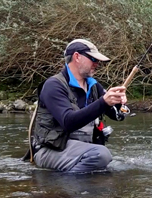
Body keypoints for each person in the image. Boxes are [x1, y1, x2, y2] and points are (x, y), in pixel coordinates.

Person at [26, 39, 127, 172]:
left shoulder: (94, 86)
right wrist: (103, 102)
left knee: (111, 165)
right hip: (51, 150)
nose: (97, 64)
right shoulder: (53, 86)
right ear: (77, 56)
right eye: (93, 59)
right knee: (101, 155)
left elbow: (118, 116)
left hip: (80, 150)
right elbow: (68, 122)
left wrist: (120, 105)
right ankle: (63, 185)